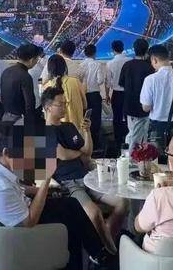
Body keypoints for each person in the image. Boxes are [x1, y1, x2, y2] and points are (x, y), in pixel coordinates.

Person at [0, 127, 111, 270]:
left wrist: (42, 191)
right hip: (21, 230)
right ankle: (99, 257)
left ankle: (95, 256)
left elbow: (16, 189)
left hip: (14, 214)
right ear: (6, 152)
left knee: (70, 206)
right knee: (71, 215)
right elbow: (30, 221)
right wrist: (47, 179)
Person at [43, 87, 127, 253]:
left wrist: (87, 132)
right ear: (48, 108)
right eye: (60, 104)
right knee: (94, 213)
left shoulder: (69, 126)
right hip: (68, 183)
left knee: (123, 203)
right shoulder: (43, 132)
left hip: (87, 177)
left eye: (65, 103)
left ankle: (106, 242)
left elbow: (87, 152)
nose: (65, 107)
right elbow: (63, 154)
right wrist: (79, 154)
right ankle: (109, 251)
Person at [140, 45, 173, 155]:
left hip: (157, 127)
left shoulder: (150, 80)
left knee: (156, 159)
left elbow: (146, 107)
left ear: (154, 60)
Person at [119, 38, 154, 150]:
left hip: (129, 105)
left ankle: (129, 155)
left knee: (132, 132)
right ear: (147, 50)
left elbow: (121, 84)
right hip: (144, 107)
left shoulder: (127, 65)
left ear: (134, 50)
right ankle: (138, 155)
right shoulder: (150, 67)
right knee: (143, 135)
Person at [0, 44, 40, 125]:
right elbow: (29, 103)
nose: (37, 62)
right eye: (37, 59)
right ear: (32, 60)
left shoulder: (6, 71)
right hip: (19, 119)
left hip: (6, 115)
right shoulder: (25, 76)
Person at [44, 54, 87, 128]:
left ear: (49, 69)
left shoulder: (47, 86)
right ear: (65, 67)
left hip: (56, 129)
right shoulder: (75, 82)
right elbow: (85, 104)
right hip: (77, 128)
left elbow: (46, 112)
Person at [76, 44, 106, 148]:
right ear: (94, 53)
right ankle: (96, 144)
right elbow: (100, 81)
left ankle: (86, 143)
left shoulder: (81, 65)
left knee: (85, 118)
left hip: (83, 95)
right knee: (96, 119)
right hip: (95, 95)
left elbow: (78, 79)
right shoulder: (97, 64)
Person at [106, 40, 131, 152]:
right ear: (123, 48)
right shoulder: (129, 61)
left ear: (113, 50)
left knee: (117, 118)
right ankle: (128, 140)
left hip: (116, 94)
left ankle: (117, 142)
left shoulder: (110, 63)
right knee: (128, 117)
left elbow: (108, 82)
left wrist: (107, 94)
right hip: (128, 94)